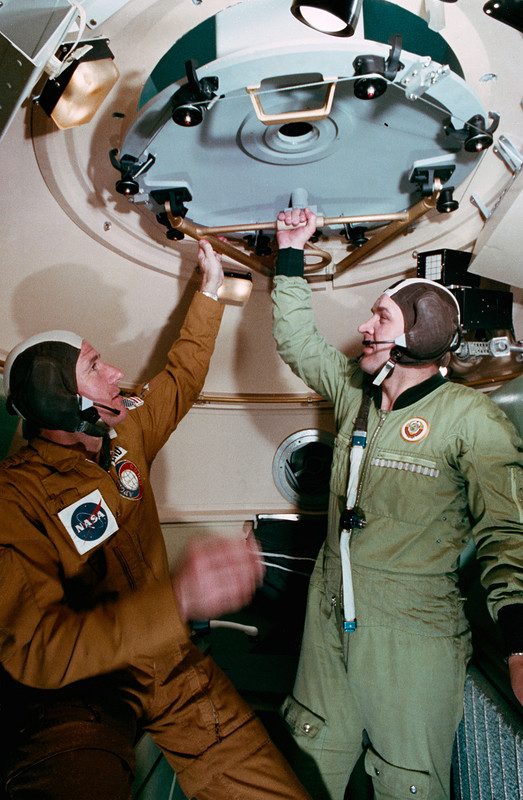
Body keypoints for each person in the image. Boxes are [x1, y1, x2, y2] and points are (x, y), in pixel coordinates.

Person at [0, 239, 312, 800]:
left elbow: (181, 377)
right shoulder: (15, 499)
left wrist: (210, 290)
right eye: (95, 366)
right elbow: (36, 649)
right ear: (58, 399)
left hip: (172, 665)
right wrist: (181, 599)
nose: (116, 372)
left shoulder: (123, 434)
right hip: (85, 693)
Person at [271, 207, 523, 800]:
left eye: (379, 317)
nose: (363, 326)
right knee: (307, 759)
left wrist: (519, 641)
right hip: (328, 615)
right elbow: (297, 340)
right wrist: (289, 253)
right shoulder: (352, 393)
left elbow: (506, 532)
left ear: (415, 338)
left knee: (408, 781)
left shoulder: (471, 419)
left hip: (414, 633)